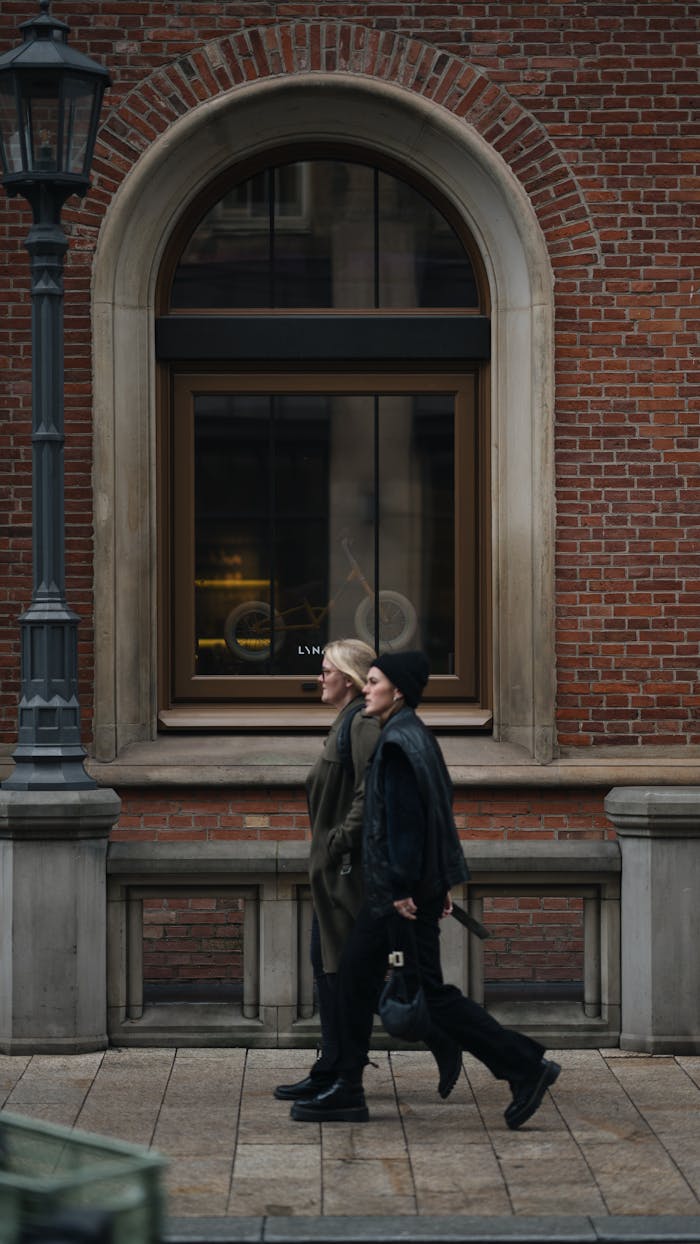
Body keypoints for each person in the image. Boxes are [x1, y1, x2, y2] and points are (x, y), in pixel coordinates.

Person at [290, 650, 561, 1129]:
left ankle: (524, 1066)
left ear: (397, 691)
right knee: (357, 980)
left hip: (401, 895)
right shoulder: (412, 735)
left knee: (422, 993)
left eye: (373, 682)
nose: (366, 689)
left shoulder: (396, 743)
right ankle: (346, 1087)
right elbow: (437, 820)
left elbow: (408, 826)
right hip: (410, 888)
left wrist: (401, 888)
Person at [273, 639, 379, 1102]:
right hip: (332, 873)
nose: (320, 677)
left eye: (326, 670)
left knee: (339, 972)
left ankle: (341, 1072)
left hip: (345, 875)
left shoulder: (359, 724)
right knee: (327, 968)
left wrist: (336, 845)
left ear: (350, 679)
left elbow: (369, 793)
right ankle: (330, 1065)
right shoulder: (344, 722)